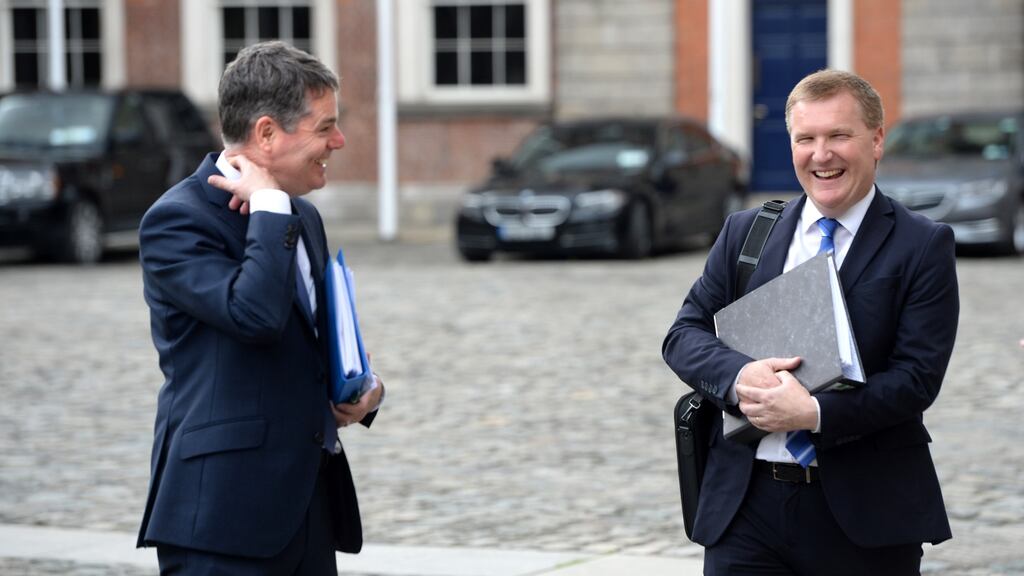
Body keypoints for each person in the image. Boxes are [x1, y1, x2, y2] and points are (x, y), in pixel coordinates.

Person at [663, 69, 959, 575]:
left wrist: (813, 414)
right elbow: (683, 334)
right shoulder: (746, 232)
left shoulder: (922, 245)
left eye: (839, 135)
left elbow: (916, 380)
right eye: (807, 139)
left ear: (876, 139)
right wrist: (738, 377)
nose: (821, 155)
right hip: (745, 508)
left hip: (863, 515)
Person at [137, 40, 384, 574]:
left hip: (307, 513)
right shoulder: (177, 221)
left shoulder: (302, 216)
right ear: (267, 133)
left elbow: (309, 340)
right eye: (324, 127)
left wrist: (363, 390)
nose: (338, 142)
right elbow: (255, 317)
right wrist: (270, 206)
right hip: (220, 518)